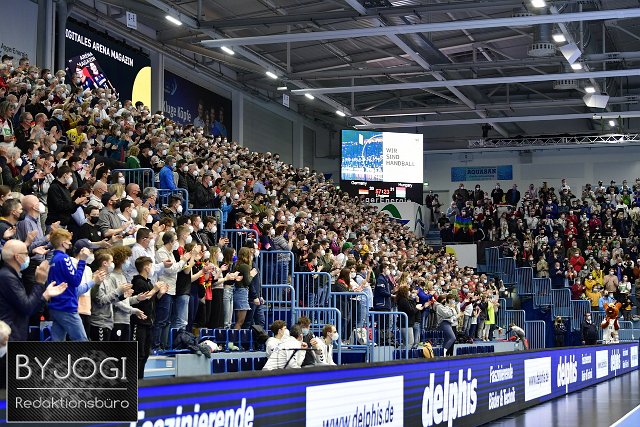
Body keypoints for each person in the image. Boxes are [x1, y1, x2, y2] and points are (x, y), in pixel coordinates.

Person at [47, 229, 95, 341]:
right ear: (63, 243)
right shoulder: (64, 259)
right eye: (68, 240)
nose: (70, 243)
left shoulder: (53, 259)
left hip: (56, 305)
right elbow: (75, 281)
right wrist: (82, 261)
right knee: (81, 341)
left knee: (57, 343)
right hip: (66, 306)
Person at [131, 256, 168, 378]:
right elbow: (141, 299)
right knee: (139, 353)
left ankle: (140, 379)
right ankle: (136, 380)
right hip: (139, 322)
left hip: (149, 322)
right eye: (151, 266)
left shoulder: (149, 282)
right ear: (146, 267)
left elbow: (151, 301)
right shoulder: (138, 282)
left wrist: (159, 294)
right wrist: (154, 290)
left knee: (145, 354)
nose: (152, 268)